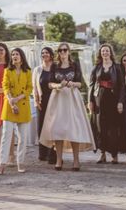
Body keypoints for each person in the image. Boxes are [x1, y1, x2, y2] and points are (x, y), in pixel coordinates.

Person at [40, 42, 95, 171]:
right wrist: (58, 85)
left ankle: (76, 161)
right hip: (57, 98)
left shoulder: (75, 65)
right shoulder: (54, 66)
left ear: (69, 52)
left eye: (65, 50)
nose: (63, 52)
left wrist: (72, 84)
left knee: (73, 129)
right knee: (57, 129)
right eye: (60, 50)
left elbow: (80, 83)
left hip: (72, 98)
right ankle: (59, 160)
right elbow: (49, 84)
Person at [0, 48, 32, 175]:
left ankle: (20, 162)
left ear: (21, 57)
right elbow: (5, 87)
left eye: (17, 54)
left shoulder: (27, 71)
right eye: (13, 54)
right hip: (9, 106)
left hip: (23, 105)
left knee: (23, 138)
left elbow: (29, 88)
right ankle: (2, 163)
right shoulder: (7, 71)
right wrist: (11, 101)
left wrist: (18, 98)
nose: (14, 56)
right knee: (6, 136)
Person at [87, 44, 126, 164]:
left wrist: (120, 101)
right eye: (103, 51)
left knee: (113, 128)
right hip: (99, 100)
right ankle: (102, 153)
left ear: (110, 53)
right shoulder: (96, 67)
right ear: (100, 53)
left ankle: (114, 155)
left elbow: (121, 86)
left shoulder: (117, 67)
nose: (105, 53)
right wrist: (90, 101)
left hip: (113, 99)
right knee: (100, 127)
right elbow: (91, 85)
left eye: (107, 51)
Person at [32, 46, 57, 163]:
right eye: (43, 53)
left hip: (55, 101)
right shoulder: (37, 69)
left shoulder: (56, 68)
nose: (44, 54)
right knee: (42, 127)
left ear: (51, 55)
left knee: (53, 127)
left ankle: (53, 153)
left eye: (47, 52)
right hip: (42, 101)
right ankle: (43, 153)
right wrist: (36, 100)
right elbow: (34, 87)